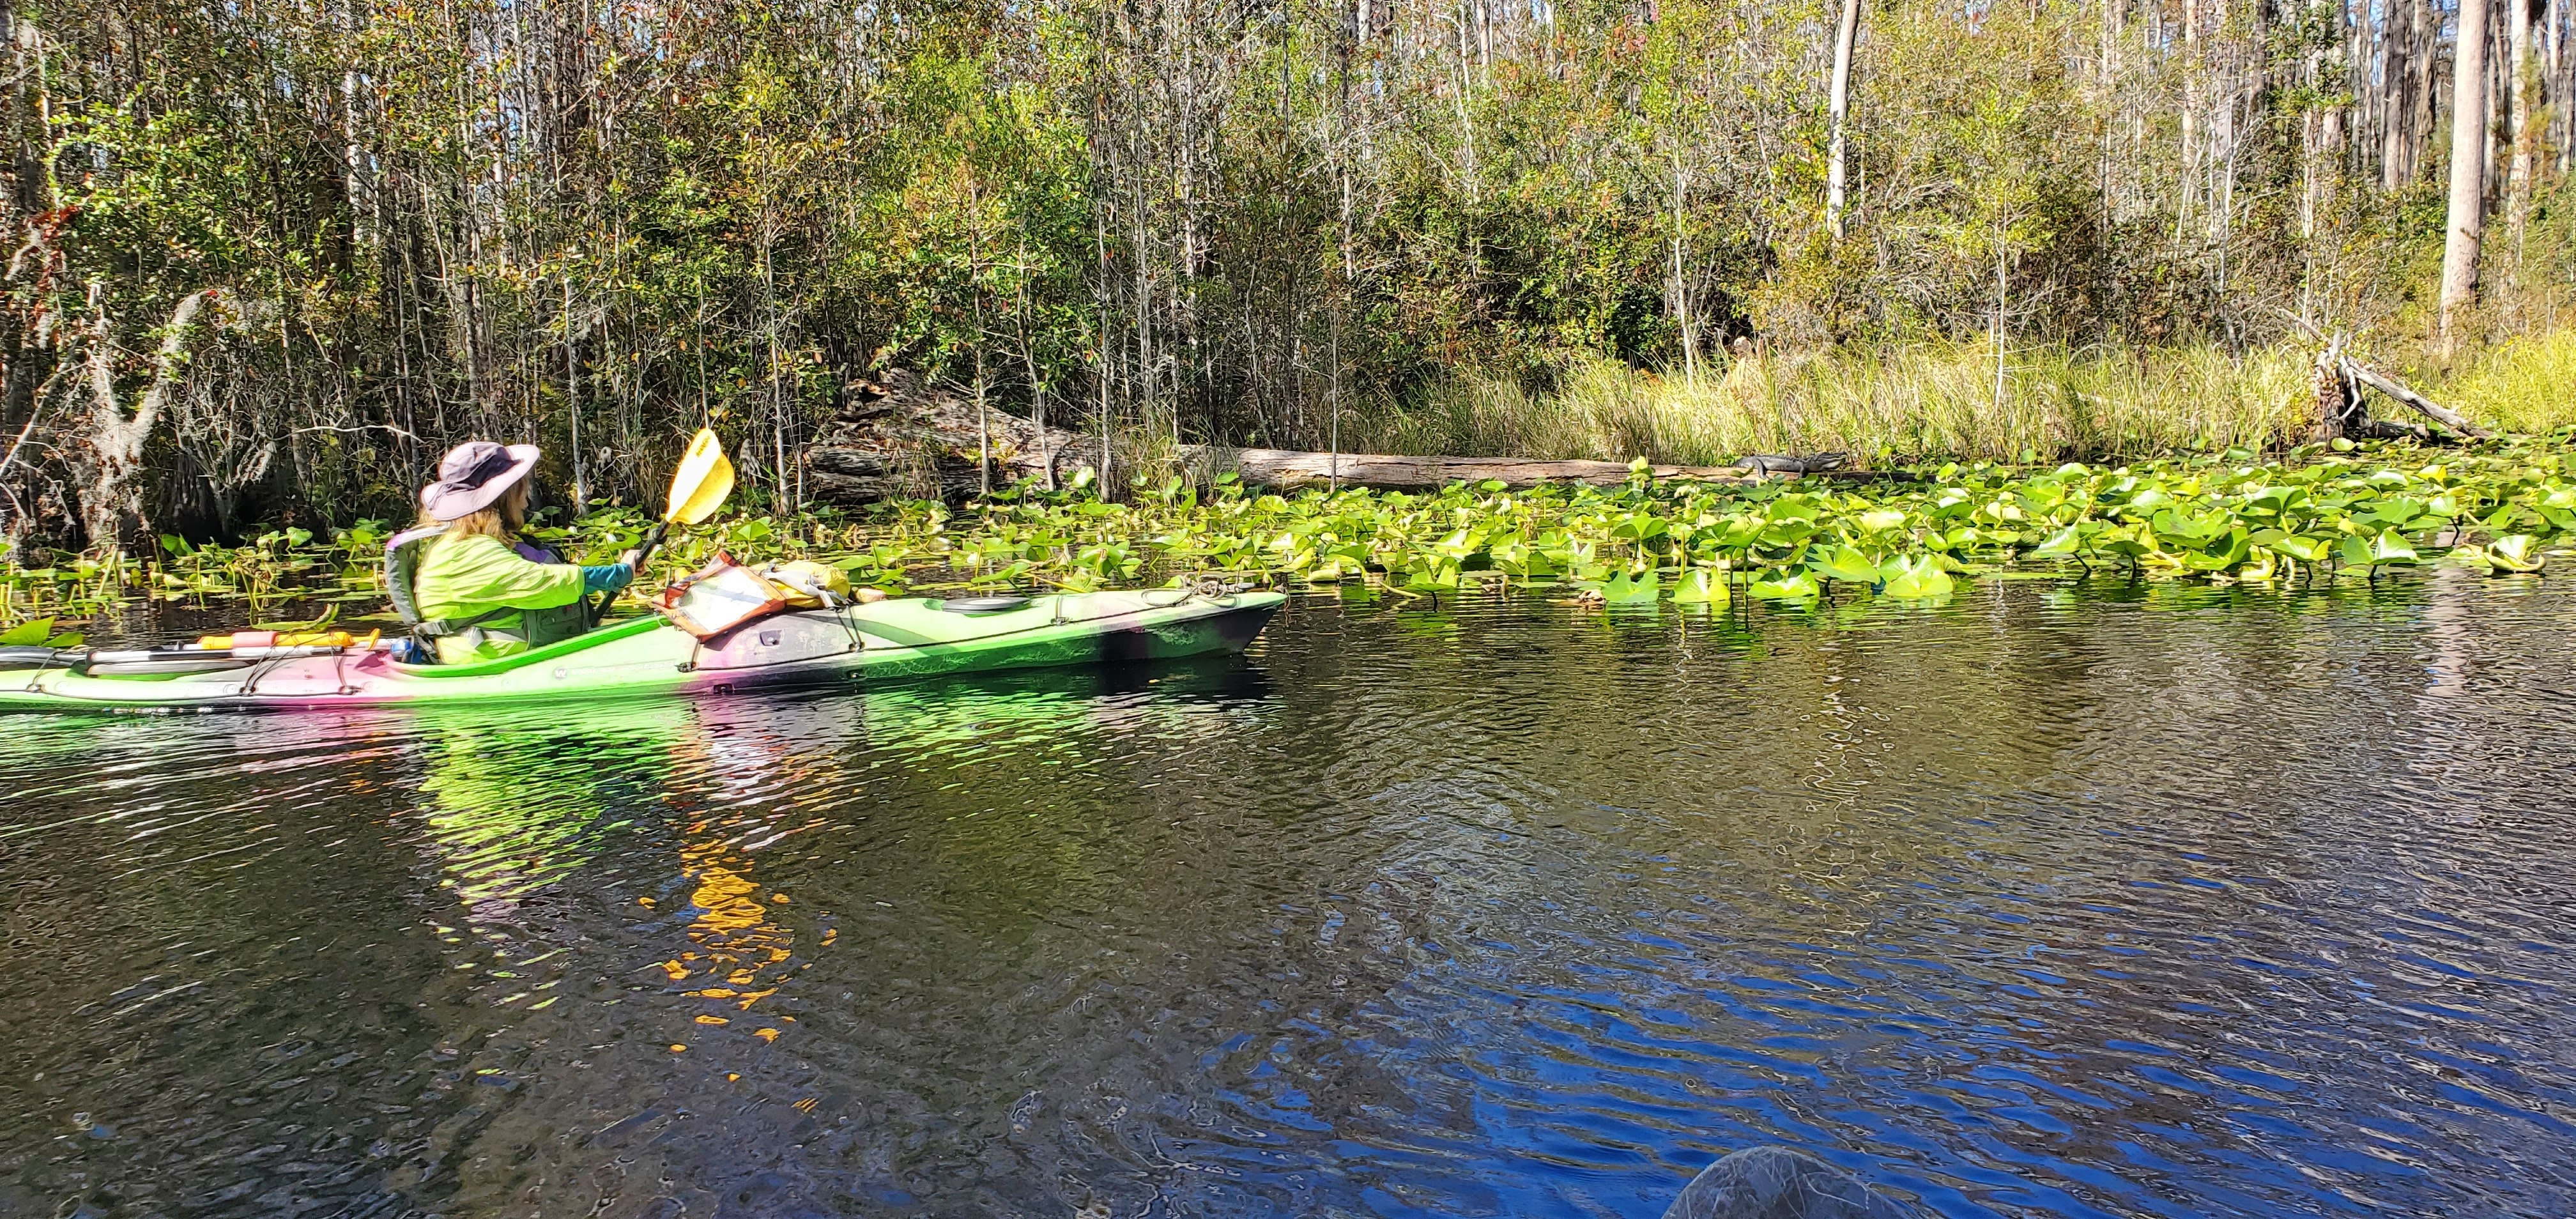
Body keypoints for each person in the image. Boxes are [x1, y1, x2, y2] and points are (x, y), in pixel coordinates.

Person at [387, 441, 640, 664]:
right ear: (505, 496)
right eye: (522, 490)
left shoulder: (474, 541)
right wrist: (616, 574)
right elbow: (541, 584)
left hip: (513, 656)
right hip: (485, 662)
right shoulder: (465, 549)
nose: (526, 501)